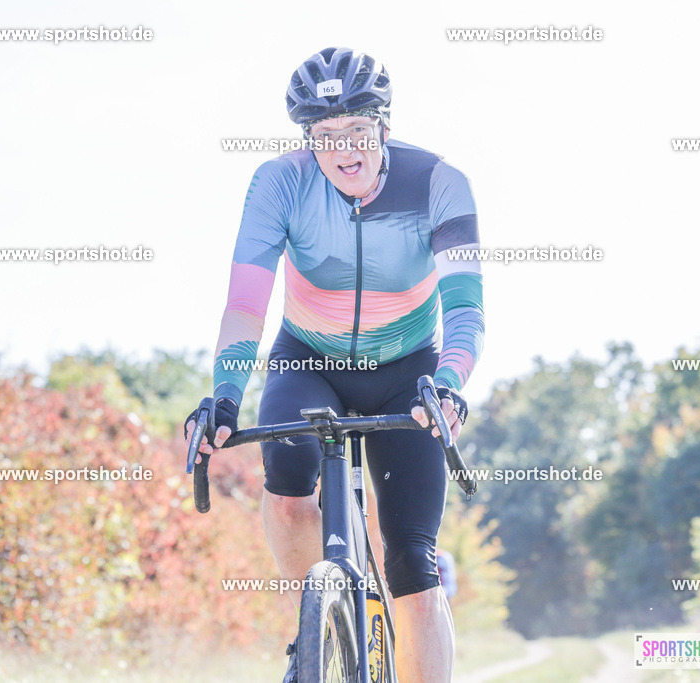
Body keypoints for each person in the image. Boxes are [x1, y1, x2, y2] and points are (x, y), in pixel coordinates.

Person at [186, 47, 483, 682]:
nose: (343, 150)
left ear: (384, 124)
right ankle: (319, 635)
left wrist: (451, 385)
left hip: (410, 371)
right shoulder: (279, 183)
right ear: (306, 140)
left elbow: (465, 311)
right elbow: (246, 302)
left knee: (412, 563)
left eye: (356, 131)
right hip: (307, 360)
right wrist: (224, 397)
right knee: (289, 494)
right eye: (323, 136)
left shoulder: (438, 182)